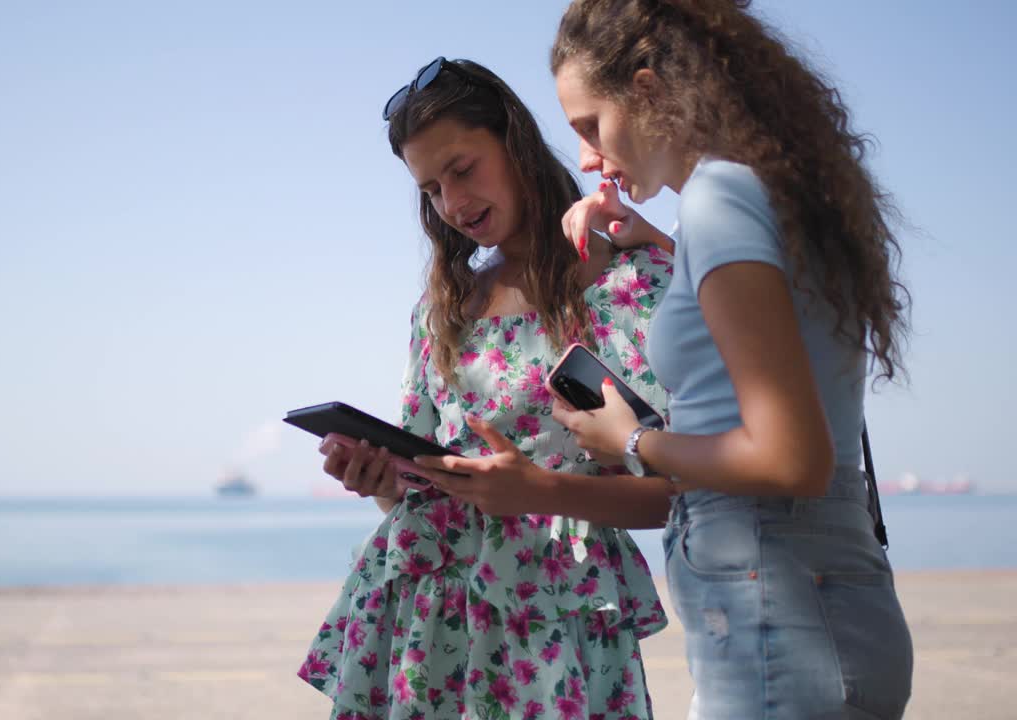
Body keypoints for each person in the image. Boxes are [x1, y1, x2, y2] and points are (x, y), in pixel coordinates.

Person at [543, 1, 915, 717]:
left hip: (776, 613)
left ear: (649, 90)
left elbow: (791, 459)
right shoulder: (756, 191)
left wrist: (628, 439)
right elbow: (774, 331)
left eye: (590, 126)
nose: (587, 158)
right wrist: (661, 243)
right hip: (810, 601)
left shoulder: (719, 199)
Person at [297, 57, 675, 719]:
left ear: (515, 142)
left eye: (463, 169)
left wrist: (536, 490)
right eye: (431, 189)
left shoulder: (621, 281)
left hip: (553, 613)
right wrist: (380, 480)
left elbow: (676, 494)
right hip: (424, 618)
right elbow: (417, 486)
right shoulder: (442, 305)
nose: (453, 203)